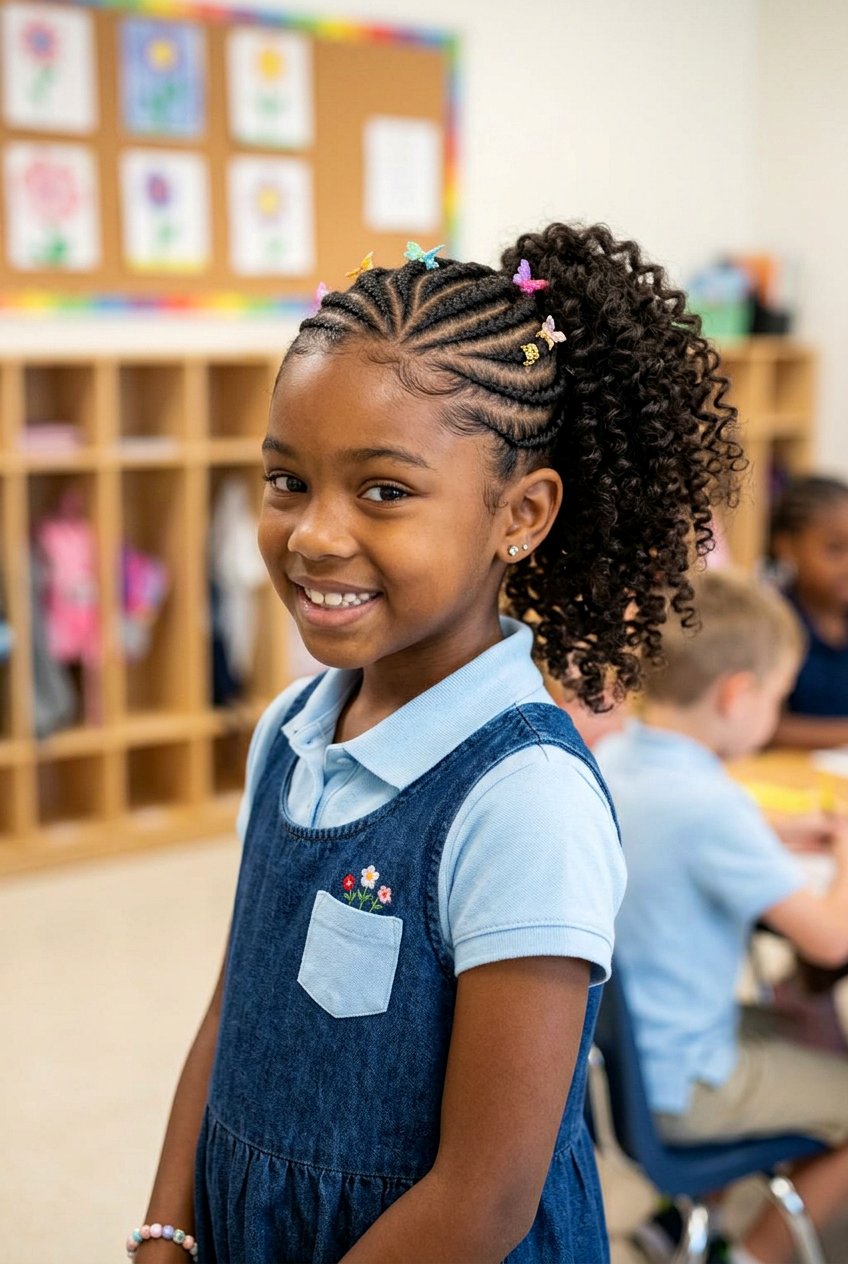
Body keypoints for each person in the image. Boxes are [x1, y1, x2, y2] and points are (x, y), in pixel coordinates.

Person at [129, 222, 742, 1264]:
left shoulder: (524, 800)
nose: (313, 534)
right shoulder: (290, 731)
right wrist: (166, 1230)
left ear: (520, 514)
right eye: (287, 480)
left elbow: (484, 1199)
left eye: (383, 490)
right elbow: (235, 1006)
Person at [596, 569, 848, 1264]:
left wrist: (780, 832)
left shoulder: (618, 756)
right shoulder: (713, 806)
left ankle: (690, 1216)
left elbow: (690, 833)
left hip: (628, 1062)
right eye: (778, 696)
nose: (775, 711)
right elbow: (832, 940)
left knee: (805, 1020)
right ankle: (746, 1255)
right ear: (738, 695)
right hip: (685, 1083)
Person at [769, 473, 848, 749]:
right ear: (787, 547)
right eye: (834, 549)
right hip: (784, 770)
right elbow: (768, 727)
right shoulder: (772, 620)